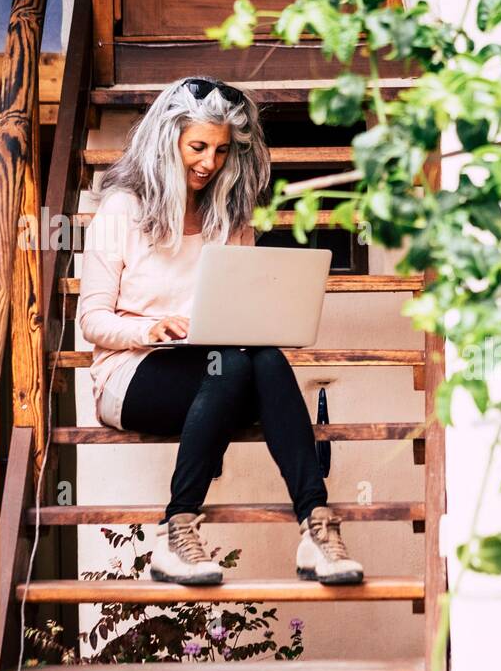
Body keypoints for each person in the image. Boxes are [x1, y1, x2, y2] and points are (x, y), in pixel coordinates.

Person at [77, 75, 363, 587]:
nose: (209, 162)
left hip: (218, 371)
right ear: (168, 140)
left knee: (265, 357)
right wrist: (151, 328)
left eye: (221, 151)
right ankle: (175, 530)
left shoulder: (227, 218)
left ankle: (316, 527)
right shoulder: (122, 209)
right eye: (198, 147)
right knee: (233, 363)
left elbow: (242, 308)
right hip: (131, 374)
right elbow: (92, 321)